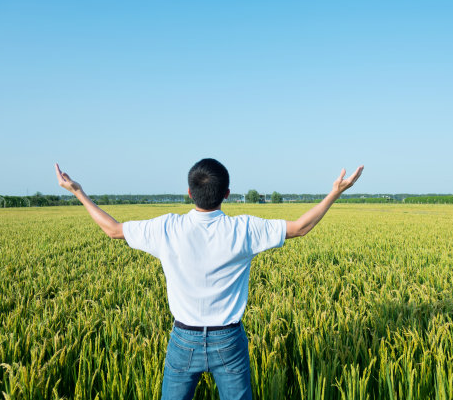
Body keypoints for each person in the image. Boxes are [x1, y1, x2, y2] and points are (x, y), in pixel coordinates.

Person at [55, 159, 363, 400]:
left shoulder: (167, 228)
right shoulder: (243, 229)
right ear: (226, 194)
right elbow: (300, 227)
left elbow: (112, 229)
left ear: (189, 192)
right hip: (229, 341)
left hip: (183, 340)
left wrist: (79, 192)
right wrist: (335, 192)